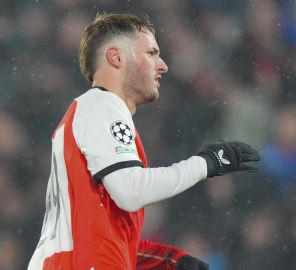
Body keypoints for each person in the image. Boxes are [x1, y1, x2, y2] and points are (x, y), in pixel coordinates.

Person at [28, 12, 260, 270]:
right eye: (151, 53)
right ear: (116, 57)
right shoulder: (100, 105)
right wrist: (206, 164)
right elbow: (131, 192)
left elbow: (101, 234)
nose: (162, 65)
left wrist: (170, 260)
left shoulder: (89, 113)